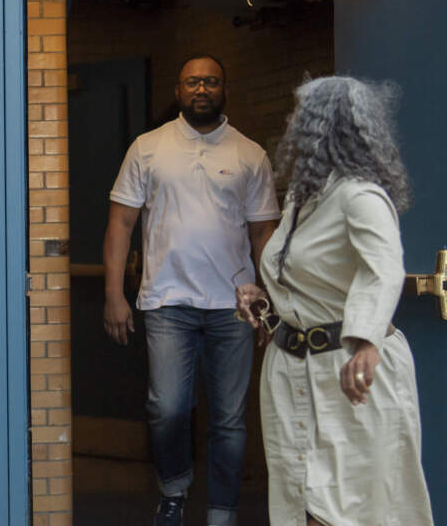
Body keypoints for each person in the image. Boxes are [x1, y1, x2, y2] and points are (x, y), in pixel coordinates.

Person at [235, 76, 433, 526]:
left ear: (324, 128)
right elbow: (312, 275)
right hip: (291, 370)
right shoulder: (303, 199)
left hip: (348, 374)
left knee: (353, 507)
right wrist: (264, 297)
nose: (291, 126)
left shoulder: (360, 195)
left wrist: (366, 342)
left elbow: (382, 268)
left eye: (300, 118)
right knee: (302, 502)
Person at [104, 54, 280, 526]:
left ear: (225, 89)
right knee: (168, 407)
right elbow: (121, 223)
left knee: (229, 419)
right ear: (178, 90)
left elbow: (265, 234)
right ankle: (174, 491)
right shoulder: (148, 147)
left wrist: (272, 298)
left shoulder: (250, 154)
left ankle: (222, 511)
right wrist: (114, 294)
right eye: (192, 82)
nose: (201, 89)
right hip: (166, 301)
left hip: (235, 307)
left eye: (211, 81)